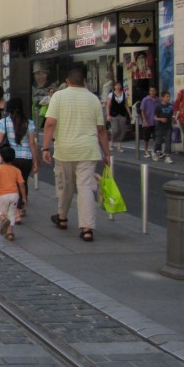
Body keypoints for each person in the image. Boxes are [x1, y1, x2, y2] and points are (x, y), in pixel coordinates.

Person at [40, 67, 111, 243]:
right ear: (85, 81)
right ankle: (87, 228)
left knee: (65, 186)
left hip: (65, 149)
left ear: (68, 81)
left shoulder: (58, 96)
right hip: (88, 149)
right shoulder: (93, 99)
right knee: (86, 188)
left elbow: (50, 123)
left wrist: (45, 148)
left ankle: (62, 217)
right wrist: (107, 153)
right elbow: (101, 130)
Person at [0, 97, 39, 224]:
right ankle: (20, 209)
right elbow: (32, 143)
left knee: (12, 185)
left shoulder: (3, 122)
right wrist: (35, 160)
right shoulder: (29, 123)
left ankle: (15, 212)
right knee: (22, 182)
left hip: (11, 158)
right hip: (26, 158)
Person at [106, 82, 130, 152]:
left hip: (122, 114)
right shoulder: (111, 95)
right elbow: (108, 105)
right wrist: (108, 115)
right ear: (114, 87)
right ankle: (111, 142)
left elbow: (126, 105)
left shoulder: (124, 94)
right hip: (114, 114)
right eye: (117, 85)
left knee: (122, 130)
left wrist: (130, 114)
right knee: (115, 129)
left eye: (120, 85)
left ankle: (119, 146)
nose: (118, 86)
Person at [153, 90, 174, 162]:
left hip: (168, 127)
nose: (168, 98)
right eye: (167, 97)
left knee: (168, 141)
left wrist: (174, 119)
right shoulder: (158, 107)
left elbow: (172, 115)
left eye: (169, 97)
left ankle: (167, 156)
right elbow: (155, 117)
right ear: (162, 97)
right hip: (160, 127)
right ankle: (154, 152)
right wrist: (160, 119)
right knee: (159, 141)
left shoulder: (171, 106)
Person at [138, 86, 160, 156]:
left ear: (156, 92)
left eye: (153, 91)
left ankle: (155, 150)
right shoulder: (145, 99)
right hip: (147, 121)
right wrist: (144, 120)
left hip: (156, 122)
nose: (152, 92)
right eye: (151, 90)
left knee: (156, 137)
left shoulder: (158, 100)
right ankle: (146, 150)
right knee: (146, 138)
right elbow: (142, 110)